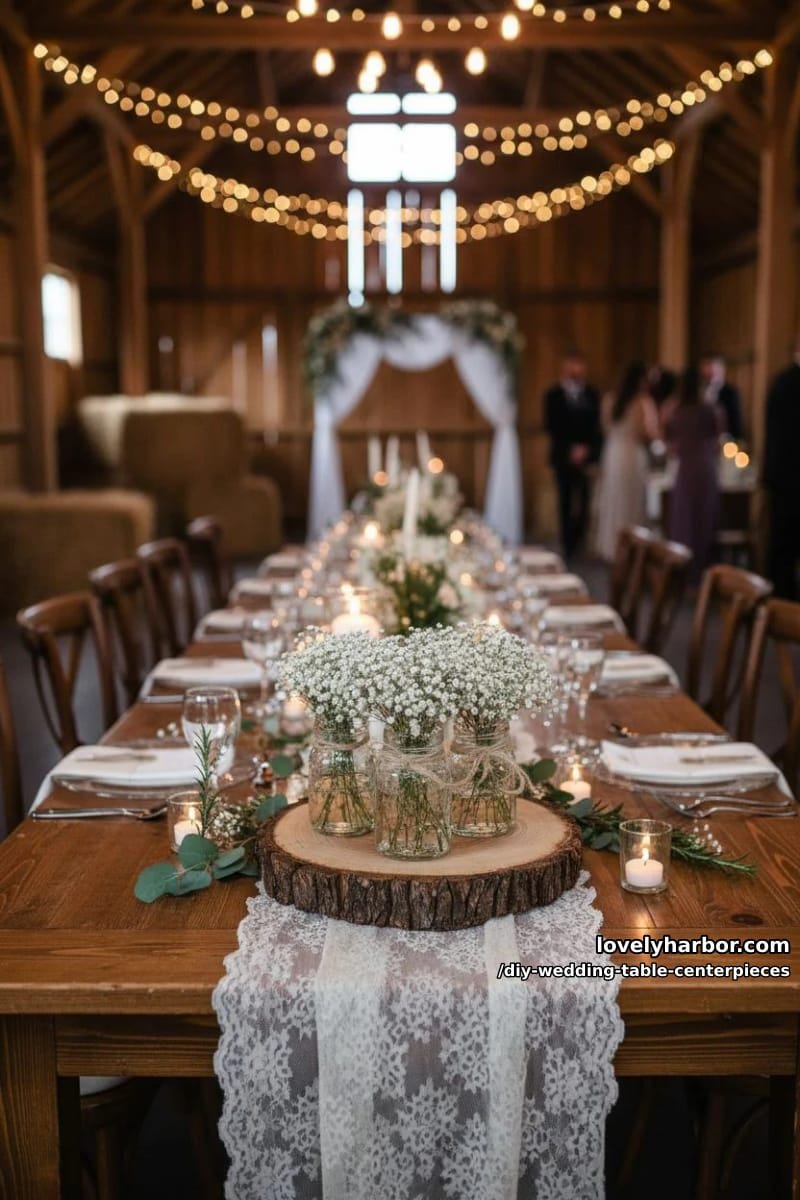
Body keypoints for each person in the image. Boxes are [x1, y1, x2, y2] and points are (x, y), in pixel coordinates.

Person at [593, 362, 659, 561]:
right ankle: (631, 549)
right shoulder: (642, 402)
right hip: (632, 454)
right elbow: (646, 432)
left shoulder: (610, 399)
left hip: (613, 453)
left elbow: (605, 427)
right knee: (632, 503)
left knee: (614, 499)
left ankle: (612, 546)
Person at [666, 367, 722, 585]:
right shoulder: (709, 409)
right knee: (703, 522)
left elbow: (668, 440)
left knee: (685, 521)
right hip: (705, 468)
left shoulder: (677, 410)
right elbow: (718, 439)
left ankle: (684, 574)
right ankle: (702, 575)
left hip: (686, 468)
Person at [544, 352, 602, 560]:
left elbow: (596, 426)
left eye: (579, 366)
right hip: (563, 455)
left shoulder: (592, 394)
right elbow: (551, 426)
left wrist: (586, 449)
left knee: (585, 501)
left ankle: (580, 543)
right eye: (571, 366)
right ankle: (567, 545)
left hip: (586, 456)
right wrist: (570, 449)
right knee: (565, 500)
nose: (575, 370)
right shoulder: (553, 394)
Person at [764, 342, 800, 598]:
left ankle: (780, 599)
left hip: (781, 476)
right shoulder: (785, 382)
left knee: (781, 545)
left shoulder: (781, 382)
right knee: (783, 544)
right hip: (790, 476)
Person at [699, 353, 743, 440]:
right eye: (707, 365)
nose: (710, 369)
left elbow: (735, 419)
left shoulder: (730, 392)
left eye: (715, 366)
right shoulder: (697, 390)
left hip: (723, 439)